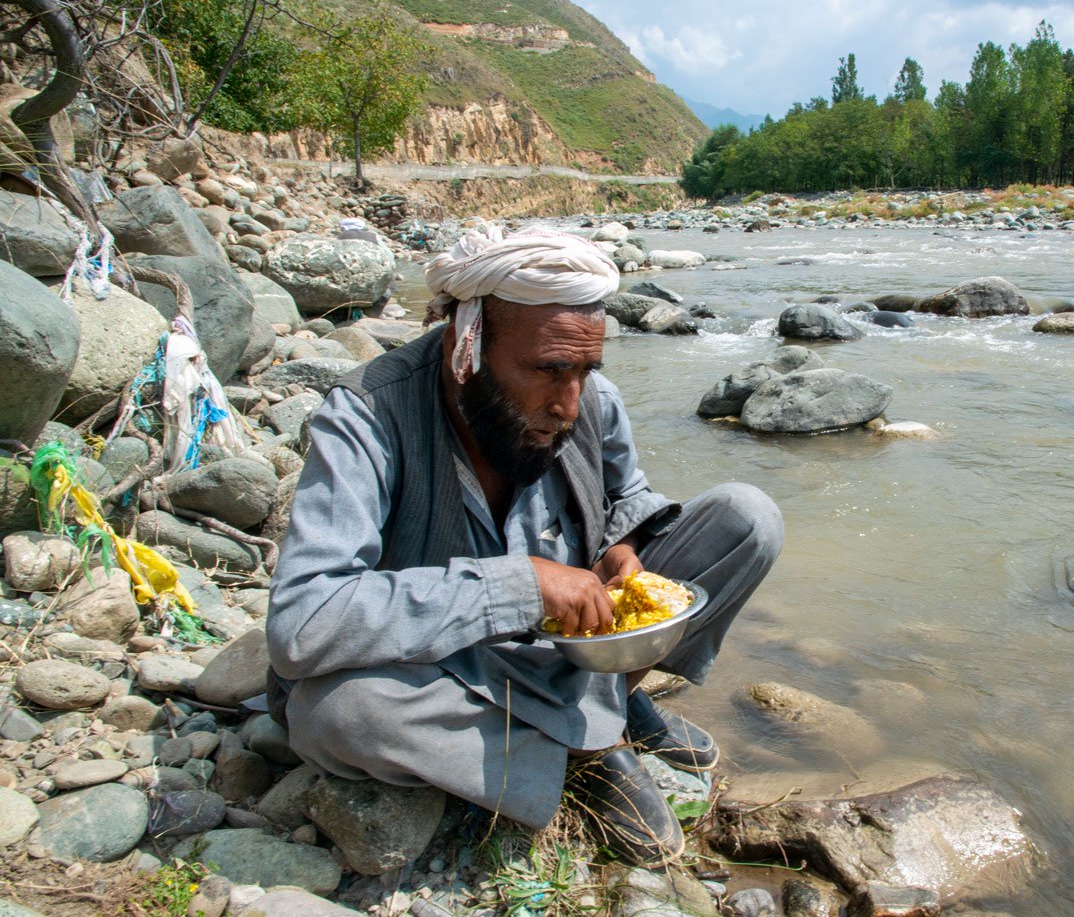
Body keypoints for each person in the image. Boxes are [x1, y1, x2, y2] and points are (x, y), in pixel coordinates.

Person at [265, 222, 783, 865]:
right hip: (450, 668)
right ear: (467, 344)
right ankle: (585, 755)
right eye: (547, 371)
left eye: (586, 371)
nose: (568, 404)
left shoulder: (588, 397)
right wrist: (521, 584)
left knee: (746, 517)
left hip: (568, 644)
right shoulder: (368, 415)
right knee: (340, 713)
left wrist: (625, 551)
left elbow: (627, 498)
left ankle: (611, 698)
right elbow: (303, 621)